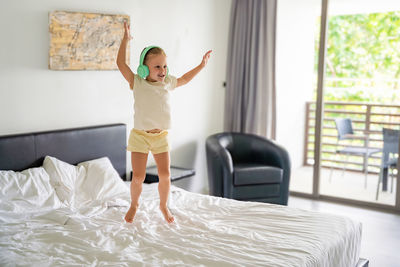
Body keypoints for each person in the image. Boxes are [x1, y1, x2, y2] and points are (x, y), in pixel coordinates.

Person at [116, 21, 212, 224]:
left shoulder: (167, 82)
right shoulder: (137, 82)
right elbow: (120, 64)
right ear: (144, 69)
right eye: (157, 66)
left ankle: (163, 205)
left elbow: (185, 79)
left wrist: (201, 66)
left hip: (160, 137)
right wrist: (125, 39)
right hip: (140, 136)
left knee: (165, 175)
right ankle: (134, 204)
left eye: (165, 66)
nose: (162, 70)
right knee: (138, 177)